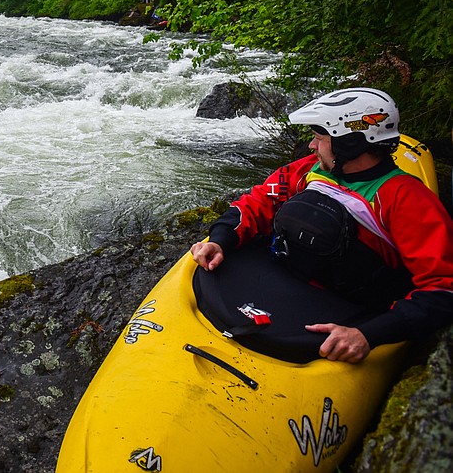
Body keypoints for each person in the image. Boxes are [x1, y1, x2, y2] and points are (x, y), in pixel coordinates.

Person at [190, 87, 453, 363]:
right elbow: (257, 202)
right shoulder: (310, 170)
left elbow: (443, 288)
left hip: (350, 307)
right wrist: (220, 239)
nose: (312, 146)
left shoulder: (406, 199)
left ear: (349, 143)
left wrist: (368, 334)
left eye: (318, 138)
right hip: (292, 280)